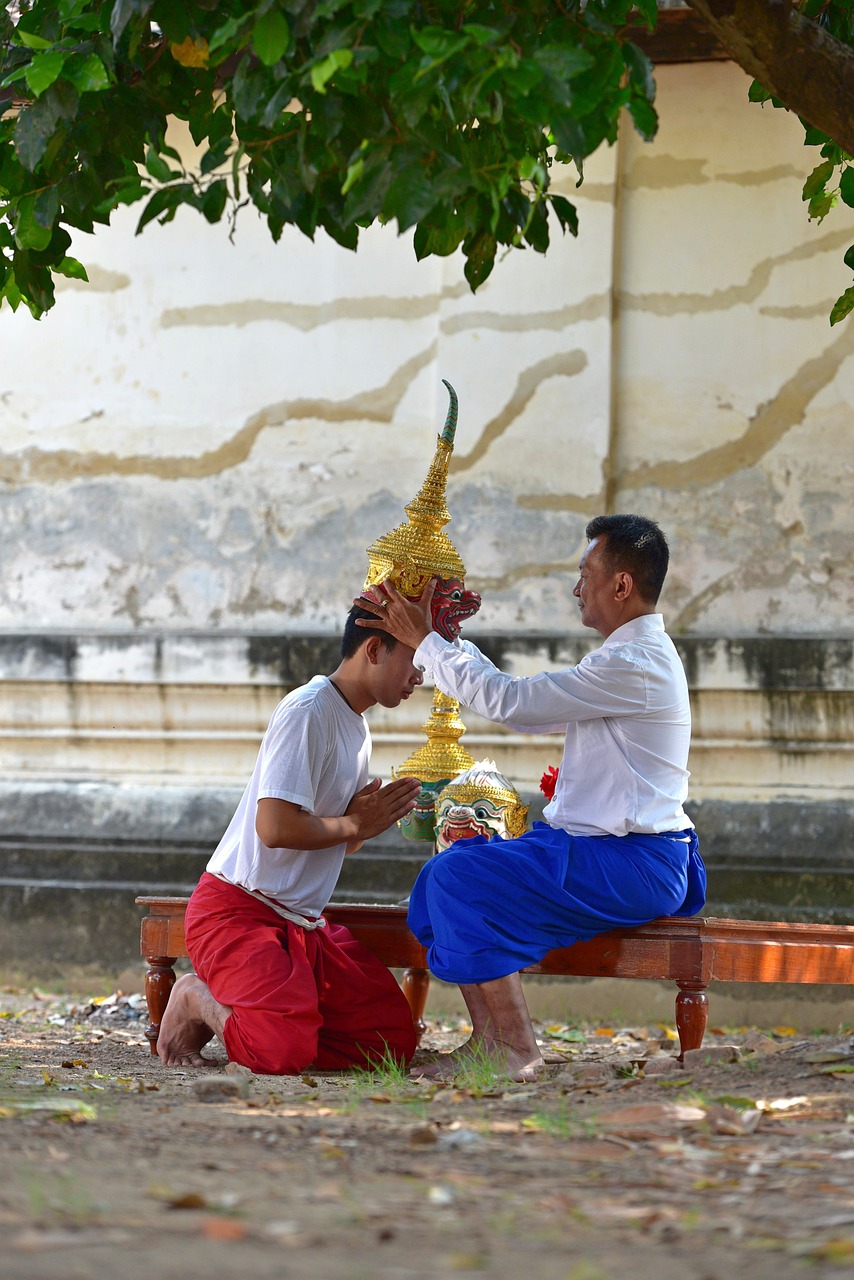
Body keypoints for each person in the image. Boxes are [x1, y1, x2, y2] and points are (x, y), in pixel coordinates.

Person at [356, 514, 706, 1081]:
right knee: (439, 882)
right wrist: (442, 640)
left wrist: (426, 642)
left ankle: (515, 1047)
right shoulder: (625, 660)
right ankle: (489, 1039)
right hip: (608, 854)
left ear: (621, 585)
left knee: (456, 879)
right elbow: (519, 699)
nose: (576, 587)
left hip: (634, 861)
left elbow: (514, 704)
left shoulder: (635, 663)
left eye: (585, 572)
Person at [156, 606, 424, 1074]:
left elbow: (341, 837)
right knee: (279, 1052)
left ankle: (268, 1020)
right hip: (237, 911)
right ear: (375, 649)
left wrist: (369, 823)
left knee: (390, 1042)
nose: (420, 678)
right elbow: (275, 828)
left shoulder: (358, 727)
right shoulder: (308, 710)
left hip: (300, 925)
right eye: (415, 660)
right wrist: (354, 825)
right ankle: (197, 997)